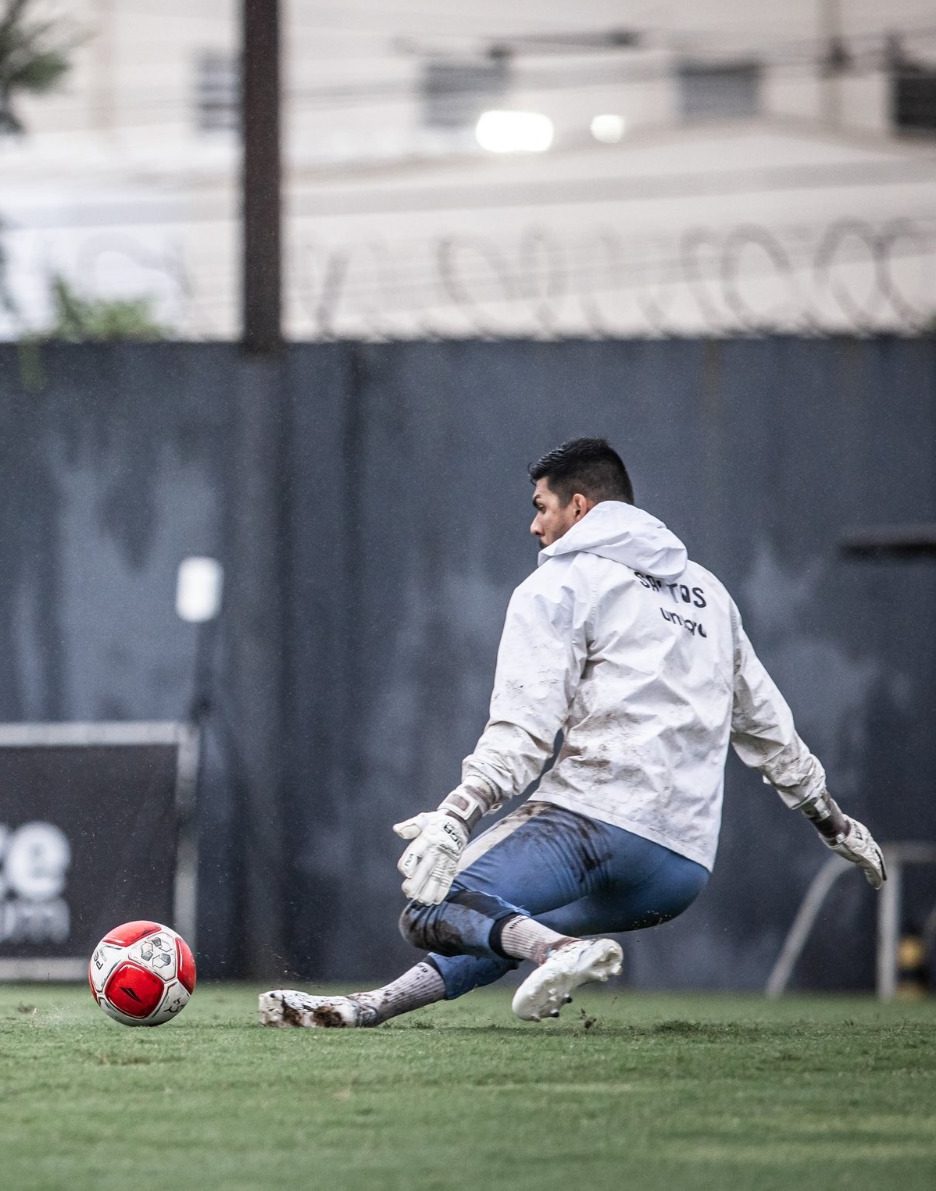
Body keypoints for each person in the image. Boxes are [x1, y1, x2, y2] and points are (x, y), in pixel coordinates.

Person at [259, 438, 886, 1028]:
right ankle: (367, 1008)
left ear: (579, 507)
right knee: (498, 924)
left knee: (432, 906)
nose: (534, 526)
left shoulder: (561, 581)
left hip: (594, 823)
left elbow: (524, 730)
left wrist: (457, 814)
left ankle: (560, 951)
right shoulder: (709, 594)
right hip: (679, 868)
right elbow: (768, 726)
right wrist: (833, 823)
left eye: (541, 507)